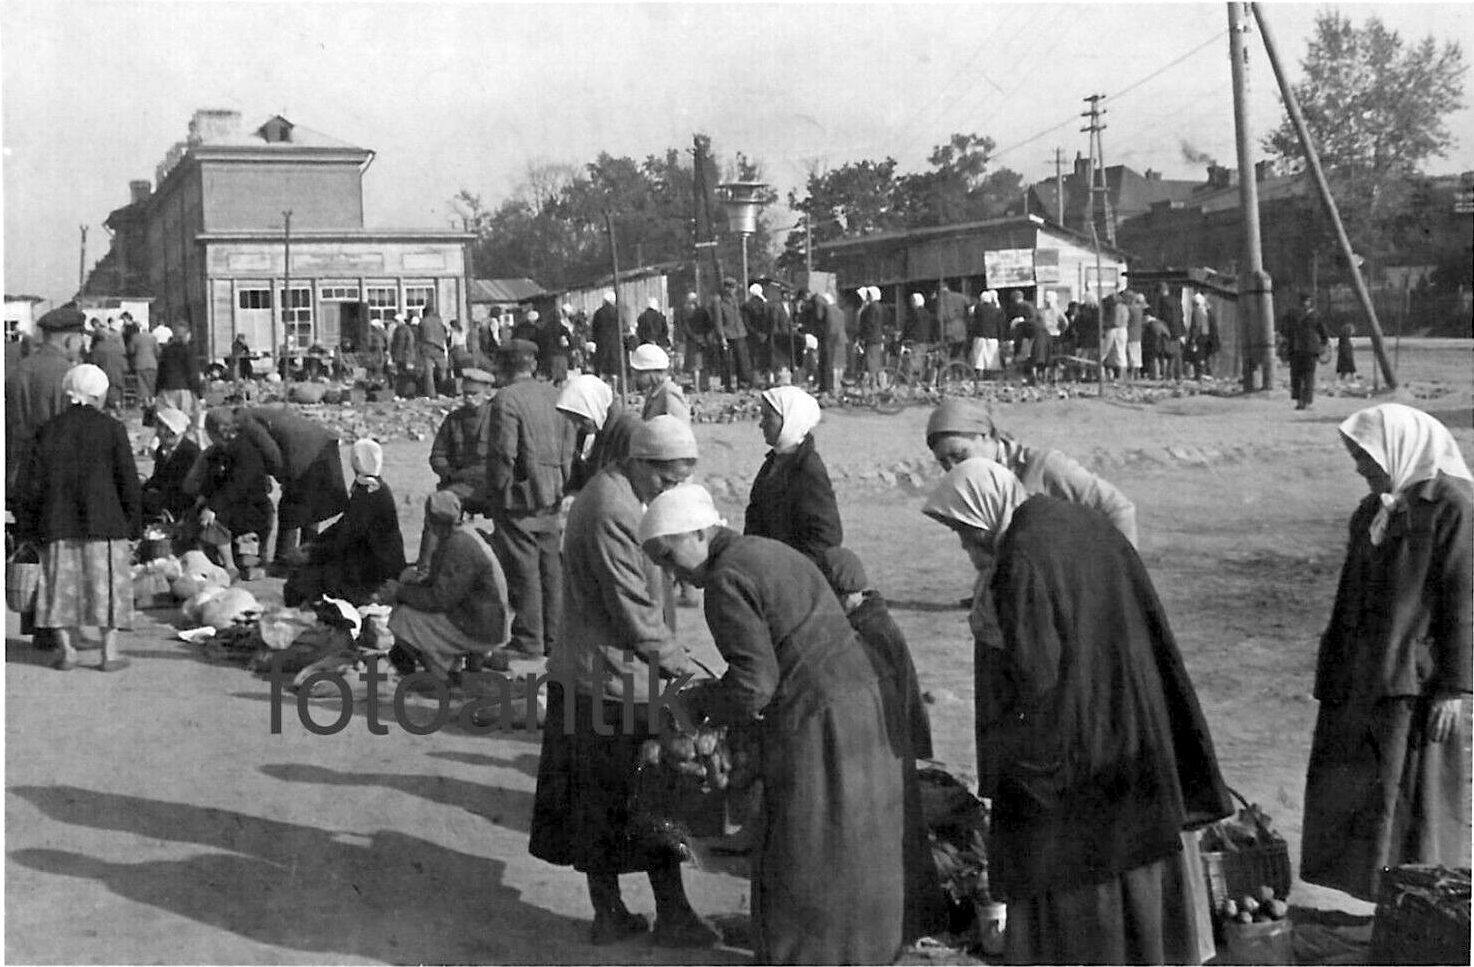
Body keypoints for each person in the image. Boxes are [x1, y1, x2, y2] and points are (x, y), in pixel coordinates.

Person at [922, 459, 1231, 965]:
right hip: (1129, 714)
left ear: (984, 516)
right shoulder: (1076, 521)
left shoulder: (1021, 558)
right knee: (1134, 849)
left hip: (1075, 739)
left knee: (1080, 866)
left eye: (963, 532)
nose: (964, 547)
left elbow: (1035, 677)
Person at [638, 483, 905, 964]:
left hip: (815, 718)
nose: (669, 570)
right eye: (659, 561)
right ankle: (866, 949)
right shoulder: (765, 550)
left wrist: (703, 707)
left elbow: (755, 684)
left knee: (805, 840)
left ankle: (805, 954)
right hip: (860, 698)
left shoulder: (725, 581)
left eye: (669, 554)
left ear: (700, 532)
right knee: (859, 836)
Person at [528, 418, 715, 948]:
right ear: (640, 462)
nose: (672, 492)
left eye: (682, 481)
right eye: (667, 480)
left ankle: (638, 913)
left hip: (613, 672)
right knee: (627, 800)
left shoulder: (626, 493)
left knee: (623, 801)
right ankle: (640, 914)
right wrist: (684, 667)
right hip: (606, 678)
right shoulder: (612, 507)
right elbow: (634, 610)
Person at [1300, 403, 1472, 902]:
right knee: (1357, 801)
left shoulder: (1452, 508)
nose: (1360, 467)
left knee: (1406, 802)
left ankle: (1411, 909)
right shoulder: (1371, 511)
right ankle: (1372, 911)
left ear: (1399, 449)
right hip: (1358, 680)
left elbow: (1463, 601)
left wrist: (1453, 688)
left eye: (1365, 456)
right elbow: (1347, 596)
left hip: (1408, 684)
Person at [823, 547, 948, 945]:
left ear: (845, 592)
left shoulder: (867, 630)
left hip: (889, 741)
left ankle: (900, 921)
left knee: (892, 834)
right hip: (898, 740)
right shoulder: (873, 618)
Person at [14, 365, 141, 672]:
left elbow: (29, 485)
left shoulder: (48, 429)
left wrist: (28, 527)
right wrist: (133, 524)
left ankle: (67, 650)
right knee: (107, 589)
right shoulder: (112, 429)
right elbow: (128, 481)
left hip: (57, 525)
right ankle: (108, 654)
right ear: (99, 393)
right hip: (106, 524)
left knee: (58, 589)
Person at [926, 397, 1138, 545]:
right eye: (943, 462)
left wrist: (1121, 578)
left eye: (960, 455)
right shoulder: (975, 485)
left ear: (986, 435)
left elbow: (1119, 508)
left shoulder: (1045, 466)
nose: (954, 468)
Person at [485, 339, 575, 658]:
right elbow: (569, 445)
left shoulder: (506, 400)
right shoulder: (556, 396)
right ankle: (556, 637)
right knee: (551, 567)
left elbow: (503, 454)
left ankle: (529, 637)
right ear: (533, 365)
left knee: (524, 570)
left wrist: (496, 491)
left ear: (504, 367)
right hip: (552, 492)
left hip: (519, 496)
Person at [382, 490, 511, 681]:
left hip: (483, 627)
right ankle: (456, 663)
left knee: (403, 618)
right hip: (484, 618)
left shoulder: (458, 544)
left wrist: (400, 592)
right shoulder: (463, 535)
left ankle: (443, 673)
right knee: (408, 599)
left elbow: (440, 600)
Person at [281, 439, 406, 608]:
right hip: (366, 558)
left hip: (371, 567)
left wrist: (312, 554)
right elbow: (345, 525)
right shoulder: (374, 489)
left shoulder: (368, 494)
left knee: (300, 586)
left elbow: (346, 538)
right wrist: (315, 543)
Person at [744, 386, 843, 569]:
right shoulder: (775, 461)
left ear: (789, 420)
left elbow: (827, 535)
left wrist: (792, 571)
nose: (761, 424)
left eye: (768, 417)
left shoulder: (807, 469)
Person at [233, 405, 349, 558]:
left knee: (292, 508)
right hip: (322, 446)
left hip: (304, 455)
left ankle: (285, 558)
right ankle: (308, 556)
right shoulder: (257, 413)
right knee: (313, 508)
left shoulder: (246, 421)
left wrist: (282, 478)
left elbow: (271, 452)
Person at [417, 368, 496, 568]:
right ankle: (426, 567)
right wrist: (449, 474)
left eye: (474, 394)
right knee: (437, 505)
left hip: (493, 484)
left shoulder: (499, 418)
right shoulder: (453, 420)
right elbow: (437, 455)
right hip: (459, 484)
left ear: (488, 393)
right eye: (466, 394)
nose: (469, 398)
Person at [6, 306, 86, 498]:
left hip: (18, 475)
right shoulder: (71, 376)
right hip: (55, 476)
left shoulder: (17, 372)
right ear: (70, 340)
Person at [195, 408, 274, 579]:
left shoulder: (245, 450)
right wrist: (203, 497)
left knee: (212, 518)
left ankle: (230, 566)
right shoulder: (220, 450)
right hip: (236, 503)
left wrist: (213, 507)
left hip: (252, 507)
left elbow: (237, 485)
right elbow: (213, 479)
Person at [558, 373, 640, 495]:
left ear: (596, 407)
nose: (577, 426)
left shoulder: (629, 430)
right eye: (574, 421)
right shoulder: (589, 432)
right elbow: (578, 474)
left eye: (582, 419)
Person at [140, 406, 202, 522]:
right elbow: (158, 477)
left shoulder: (190, 453)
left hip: (181, 503)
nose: (158, 433)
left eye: (162, 428)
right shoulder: (162, 450)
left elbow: (186, 489)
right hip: (165, 497)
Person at [1279, 293, 1328, 409]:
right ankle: (1301, 401)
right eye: (1304, 301)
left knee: (1305, 376)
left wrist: (1323, 345)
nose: (1304, 303)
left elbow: (1323, 333)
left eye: (1306, 301)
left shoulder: (1312, 315)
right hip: (1300, 350)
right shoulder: (1298, 315)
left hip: (1304, 349)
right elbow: (1284, 329)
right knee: (1300, 376)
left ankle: (1304, 401)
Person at [631, 345, 688, 423]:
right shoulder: (653, 393)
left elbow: (680, 427)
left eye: (639, 373)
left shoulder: (669, 393)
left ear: (650, 371)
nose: (635, 377)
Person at [156, 324, 202, 416]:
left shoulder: (166, 350)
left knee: (170, 419)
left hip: (167, 388)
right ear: (187, 335)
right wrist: (198, 393)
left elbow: (160, 372)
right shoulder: (189, 351)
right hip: (183, 390)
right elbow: (193, 373)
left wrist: (156, 391)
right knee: (183, 420)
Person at [715, 278, 750, 391]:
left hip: (739, 333)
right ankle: (727, 385)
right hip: (728, 334)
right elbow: (719, 321)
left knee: (741, 360)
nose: (734, 290)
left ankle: (742, 384)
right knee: (727, 362)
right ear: (727, 288)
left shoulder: (736, 300)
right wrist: (722, 337)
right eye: (732, 288)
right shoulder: (719, 302)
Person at [88, 320, 129, 412]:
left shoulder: (98, 348)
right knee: (116, 391)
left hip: (104, 374)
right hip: (118, 374)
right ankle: (117, 406)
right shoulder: (117, 346)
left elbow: (94, 362)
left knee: (106, 392)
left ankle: (111, 408)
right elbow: (124, 362)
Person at [813, 291, 848, 395]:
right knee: (837, 365)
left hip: (830, 339)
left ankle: (827, 387)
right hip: (840, 340)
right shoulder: (839, 311)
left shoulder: (828, 310)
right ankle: (834, 386)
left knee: (828, 363)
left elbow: (829, 326)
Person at [677, 292, 713, 393]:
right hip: (703, 339)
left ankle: (697, 386)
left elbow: (685, 327)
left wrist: (692, 337)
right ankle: (704, 385)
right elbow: (709, 324)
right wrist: (705, 336)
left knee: (694, 365)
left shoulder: (684, 312)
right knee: (702, 364)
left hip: (692, 340)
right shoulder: (703, 310)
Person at [901, 292, 938, 381]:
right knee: (921, 362)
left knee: (912, 363)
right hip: (925, 341)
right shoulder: (928, 314)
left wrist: (903, 339)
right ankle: (920, 381)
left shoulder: (913, 314)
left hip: (915, 341)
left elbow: (908, 328)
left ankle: (912, 383)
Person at [970, 290, 1005, 379]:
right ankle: (990, 376)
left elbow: (973, 320)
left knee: (979, 357)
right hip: (993, 336)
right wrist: (1001, 337)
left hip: (979, 335)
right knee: (992, 357)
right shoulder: (997, 310)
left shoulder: (978, 308)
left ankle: (979, 375)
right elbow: (1000, 324)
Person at [591, 291, 623, 385]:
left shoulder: (598, 313)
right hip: (615, 344)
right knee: (614, 370)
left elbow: (594, 329)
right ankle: (614, 389)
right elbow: (623, 327)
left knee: (601, 368)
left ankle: (601, 388)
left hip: (601, 344)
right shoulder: (617, 312)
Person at [127, 319, 160, 410]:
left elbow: (131, 350)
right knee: (152, 383)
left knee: (142, 384)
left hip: (140, 363)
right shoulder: (153, 337)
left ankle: (146, 402)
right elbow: (158, 351)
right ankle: (153, 400)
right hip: (152, 364)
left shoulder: (135, 337)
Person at [537, 307, 576, 384]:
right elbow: (571, 343)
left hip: (549, 356)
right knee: (561, 380)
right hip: (562, 356)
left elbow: (540, 343)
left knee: (550, 379)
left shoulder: (544, 329)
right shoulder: (564, 329)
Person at [418, 302, 448, 399]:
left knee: (428, 372)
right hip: (439, 347)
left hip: (427, 347)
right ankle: (444, 391)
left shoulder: (422, 322)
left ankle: (431, 394)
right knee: (442, 370)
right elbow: (445, 334)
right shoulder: (439, 321)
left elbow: (420, 336)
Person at [1187, 293, 1219, 380]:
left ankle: (1199, 374)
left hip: (1200, 336)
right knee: (1205, 356)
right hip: (1207, 336)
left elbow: (1197, 326)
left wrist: (1193, 338)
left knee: (1198, 356)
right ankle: (1208, 373)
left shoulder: (1197, 312)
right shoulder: (1206, 311)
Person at [937, 281, 969, 361]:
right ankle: (961, 371)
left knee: (946, 355)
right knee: (959, 353)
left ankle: (949, 371)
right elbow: (969, 302)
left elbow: (939, 317)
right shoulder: (960, 296)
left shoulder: (941, 299)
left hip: (949, 330)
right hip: (961, 329)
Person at [363, 317, 389, 382]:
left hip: (378, 351)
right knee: (376, 365)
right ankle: (376, 379)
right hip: (377, 351)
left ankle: (376, 379)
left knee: (377, 365)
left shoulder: (376, 333)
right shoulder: (377, 333)